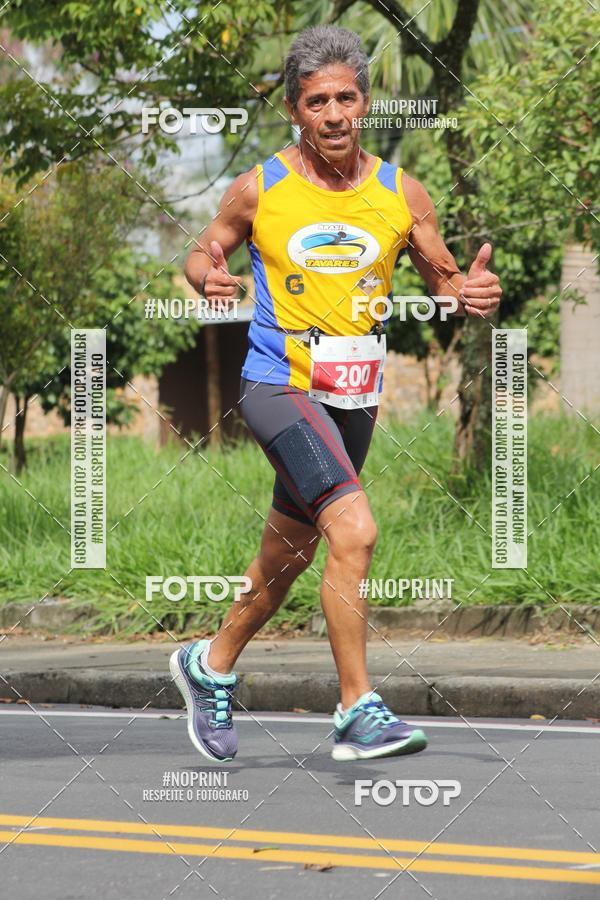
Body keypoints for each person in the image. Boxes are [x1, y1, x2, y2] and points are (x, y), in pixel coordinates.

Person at [171, 25, 502, 762]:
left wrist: (467, 292)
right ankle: (357, 709)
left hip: (354, 397)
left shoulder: (399, 192)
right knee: (353, 531)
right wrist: (207, 277)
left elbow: (443, 280)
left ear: (366, 101)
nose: (333, 114)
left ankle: (209, 663)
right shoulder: (261, 187)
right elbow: (205, 248)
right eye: (316, 100)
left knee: (286, 559)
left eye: (345, 97)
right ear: (295, 109)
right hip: (279, 386)